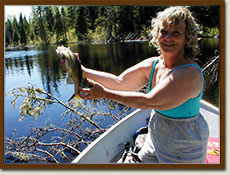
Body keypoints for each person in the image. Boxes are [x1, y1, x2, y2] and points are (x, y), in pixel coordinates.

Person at [78, 6, 209, 163]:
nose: (167, 37)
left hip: (185, 146)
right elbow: (119, 82)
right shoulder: (154, 64)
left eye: (176, 33)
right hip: (156, 136)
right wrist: (81, 70)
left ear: (187, 38)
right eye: (163, 32)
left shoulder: (189, 73)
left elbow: (148, 101)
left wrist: (104, 93)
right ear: (156, 34)